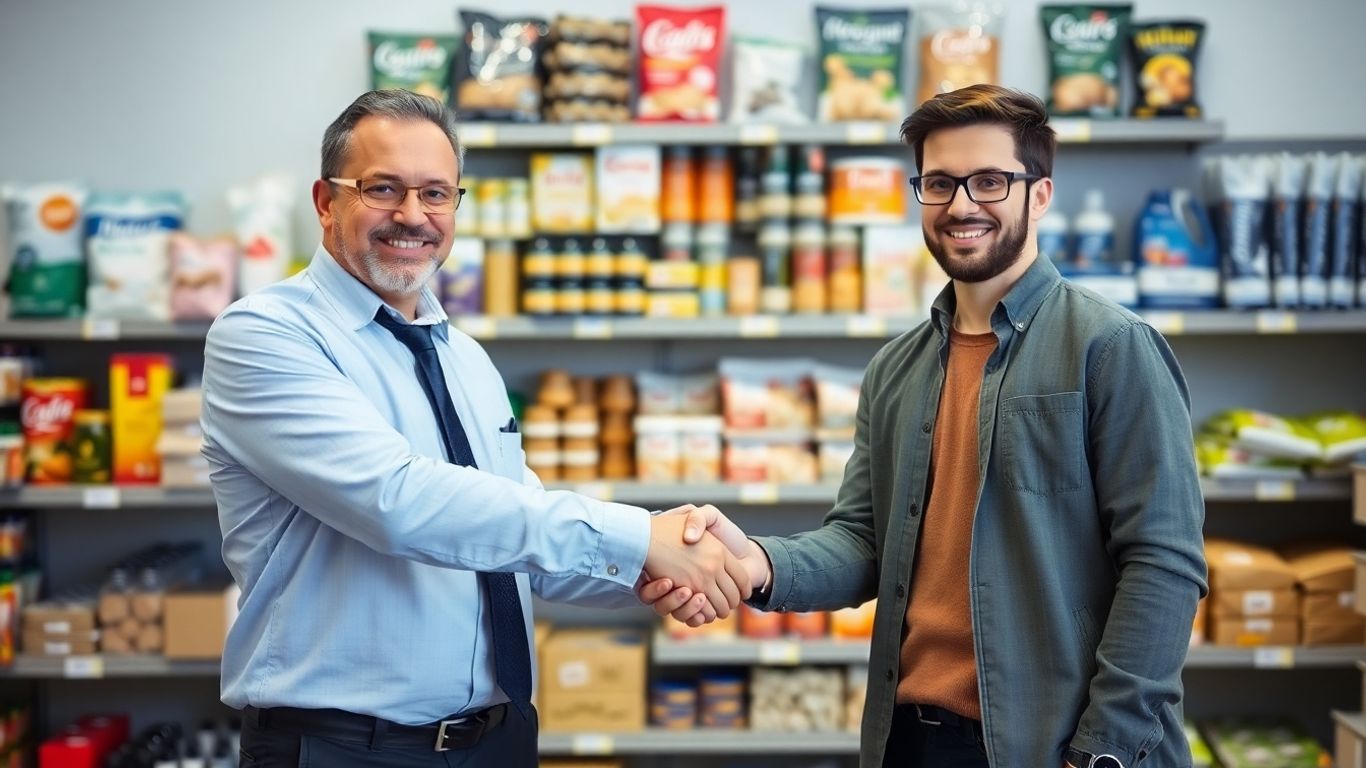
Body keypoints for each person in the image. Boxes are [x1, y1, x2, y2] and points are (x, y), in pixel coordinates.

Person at [647, 84, 1207, 768]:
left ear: (1040, 194)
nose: (961, 204)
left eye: (989, 181)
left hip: (1054, 742)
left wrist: (1106, 748)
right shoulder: (896, 369)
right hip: (908, 738)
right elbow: (864, 540)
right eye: (939, 183)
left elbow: (1164, 563)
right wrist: (755, 564)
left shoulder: (1111, 346)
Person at [201, 89, 751, 768]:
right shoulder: (265, 335)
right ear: (325, 200)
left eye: (436, 193)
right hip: (344, 748)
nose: (412, 216)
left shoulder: (464, 357)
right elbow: (398, 502)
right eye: (382, 189)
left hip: (498, 741)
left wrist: (654, 572)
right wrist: (641, 537)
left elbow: (511, 544)